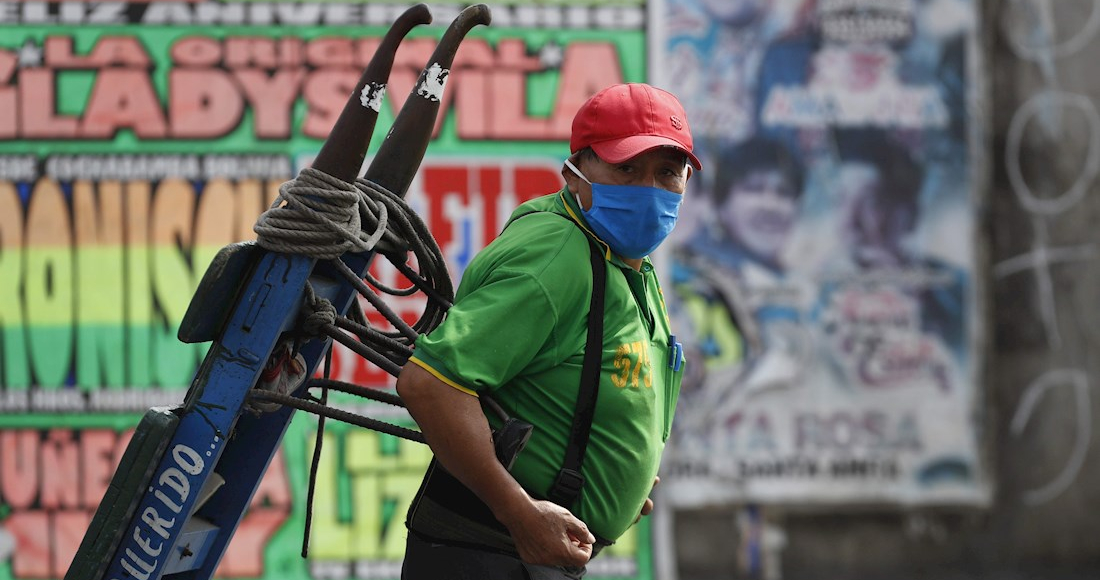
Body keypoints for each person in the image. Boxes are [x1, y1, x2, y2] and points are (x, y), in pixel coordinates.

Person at [395, 82, 699, 579]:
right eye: (626, 168)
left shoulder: (624, 260)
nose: (649, 190)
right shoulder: (557, 257)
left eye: (667, 172)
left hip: (533, 553)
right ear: (575, 174)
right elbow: (429, 384)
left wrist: (621, 475)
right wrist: (517, 511)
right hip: (489, 552)